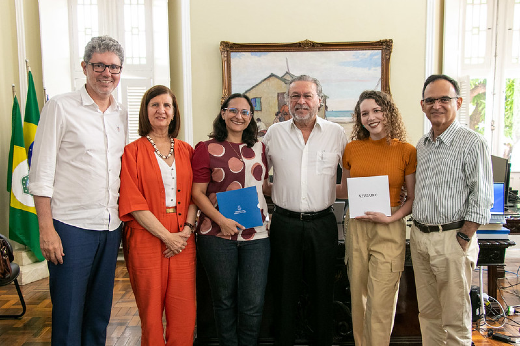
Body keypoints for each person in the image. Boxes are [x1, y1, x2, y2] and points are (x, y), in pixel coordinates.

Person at [29, 36, 127, 345]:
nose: (106, 73)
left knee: (99, 313)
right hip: (70, 227)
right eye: (99, 65)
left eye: (113, 67)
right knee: (69, 313)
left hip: (111, 227)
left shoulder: (120, 113)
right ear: (84, 67)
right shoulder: (60, 106)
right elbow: (41, 172)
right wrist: (47, 229)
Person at [263, 75, 347, 346]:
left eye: (307, 96)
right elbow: (256, 177)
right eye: (295, 96)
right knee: (284, 291)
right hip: (284, 223)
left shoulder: (337, 134)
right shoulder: (273, 134)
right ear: (287, 101)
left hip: (323, 223)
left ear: (319, 101)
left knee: (323, 291)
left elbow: (353, 176)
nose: (301, 101)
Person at [411, 74, 493, 346]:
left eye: (444, 99)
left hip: (453, 238)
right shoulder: (422, 145)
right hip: (420, 237)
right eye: (430, 100)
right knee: (429, 314)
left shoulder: (473, 143)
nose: (437, 105)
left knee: (455, 319)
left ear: (458, 102)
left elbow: (481, 198)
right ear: (422, 105)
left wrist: (465, 237)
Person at [118, 85, 197, 345]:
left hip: (184, 237)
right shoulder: (133, 151)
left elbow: (197, 194)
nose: (161, 110)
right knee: (151, 312)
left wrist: (186, 230)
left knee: (184, 310)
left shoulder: (187, 150)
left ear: (174, 113)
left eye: (167, 105)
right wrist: (167, 237)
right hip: (147, 238)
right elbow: (133, 201)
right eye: (155, 105)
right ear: (146, 111)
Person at [191, 93, 270, 346]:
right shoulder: (205, 148)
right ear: (223, 113)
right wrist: (221, 221)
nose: (239, 116)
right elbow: (197, 193)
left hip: (256, 236)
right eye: (233, 110)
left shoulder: (260, 148)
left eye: (245, 112)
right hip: (216, 236)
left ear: (251, 117)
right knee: (223, 301)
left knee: (253, 303)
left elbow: (263, 186)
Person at [342, 90, 416, 345]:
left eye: (376, 110)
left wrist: (390, 218)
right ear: (359, 118)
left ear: (388, 112)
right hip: (357, 225)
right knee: (358, 295)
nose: (371, 117)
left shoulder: (407, 151)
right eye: (364, 113)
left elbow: (413, 198)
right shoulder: (352, 149)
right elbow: (346, 190)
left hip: (390, 226)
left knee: (382, 297)